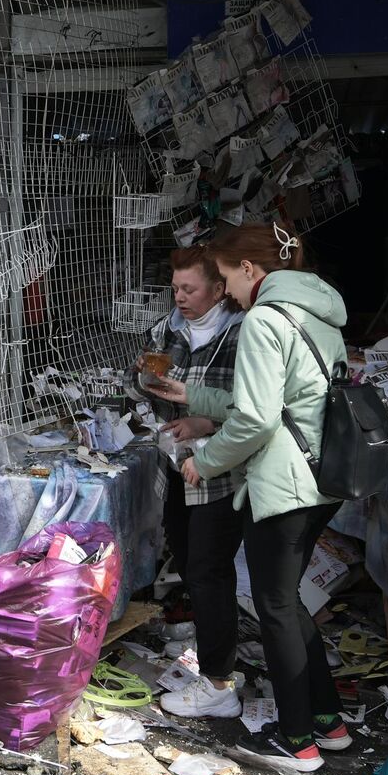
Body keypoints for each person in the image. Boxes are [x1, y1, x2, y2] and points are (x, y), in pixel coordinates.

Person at [148, 221, 353, 773]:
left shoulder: (264, 318)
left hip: (283, 480)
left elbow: (257, 418)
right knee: (287, 604)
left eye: (225, 278)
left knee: (276, 609)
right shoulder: (316, 310)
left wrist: (204, 462)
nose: (227, 292)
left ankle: (296, 741)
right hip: (319, 476)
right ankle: (328, 723)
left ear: (248, 269)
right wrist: (194, 392)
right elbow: (272, 395)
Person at [128, 247, 245, 720]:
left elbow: (256, 407)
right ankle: (213, 664)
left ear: (218, 289)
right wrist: (140, 379)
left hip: (219, 471)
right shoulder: (166, 329)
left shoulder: (243, 334)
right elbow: (140, 387)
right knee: (190, 562)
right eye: (175, 288)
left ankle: (220, 684)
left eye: (189, 289)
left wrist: (206, 425)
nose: (179, 297)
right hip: (175, 468)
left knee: (209, 571)